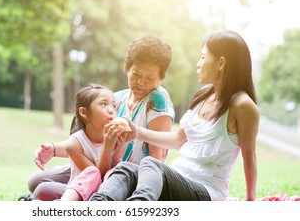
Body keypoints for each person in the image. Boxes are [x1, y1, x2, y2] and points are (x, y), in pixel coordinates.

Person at [89, 30, 260, 201]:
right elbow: (179, 139)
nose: (198, 64)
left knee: (150, 163)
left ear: (221, 63)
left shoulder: (243, 105)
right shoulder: (203, 96)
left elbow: (249, 155)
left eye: (202, 57)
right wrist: (137, 132)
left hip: (207, 191)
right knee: (127, 170)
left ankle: (138, 208)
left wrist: (250, 201)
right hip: (177, 179)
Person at [20, 35, 175, 201]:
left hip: (124, 177)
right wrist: (53, 148)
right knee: (36, 180)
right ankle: (69, 195)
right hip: (100, 165)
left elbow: (156, 160)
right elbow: (91, 144)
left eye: (149, 78)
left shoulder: (157, 100)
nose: (140, 82)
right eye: (135, 74)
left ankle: (67, 199)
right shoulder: (117, 99)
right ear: (127, 68)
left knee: (44, 188)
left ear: (160, 78)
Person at [47, 83, 126, 201]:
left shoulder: (116, 136)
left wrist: (119, 146)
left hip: (105, 194)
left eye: (114, 106)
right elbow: (96, 177)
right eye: (104, 104)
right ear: (84, 113)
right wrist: (107, 148)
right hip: (79, 194)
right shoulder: (74, 144)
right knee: (43, 188)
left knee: (116, 170)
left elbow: (112, 175)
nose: (111, 110)